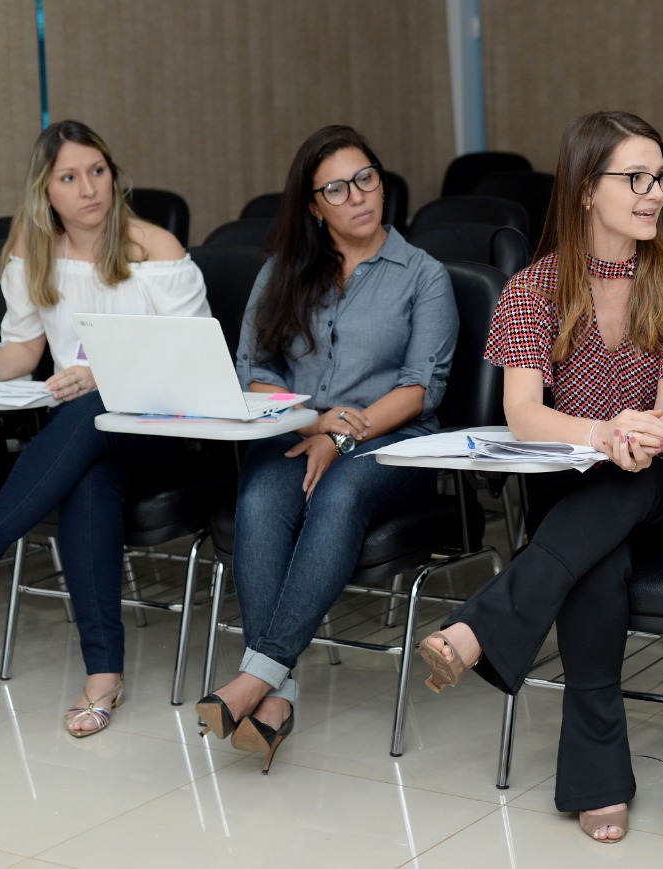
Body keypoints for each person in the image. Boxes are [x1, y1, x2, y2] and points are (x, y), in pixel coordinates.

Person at [415, 110, 663, 843]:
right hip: (589, 489)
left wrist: (641, 434)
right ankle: (598, 780)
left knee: (626, 488)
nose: (655, 193)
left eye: (661, 178)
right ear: (587, 189)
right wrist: (601, 432)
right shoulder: (532, 288)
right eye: (636, 178)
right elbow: (523, 413)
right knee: (596, 554)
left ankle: (480, 627)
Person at [0, 120, 209, 736]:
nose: (89, 188)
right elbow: (23, 349)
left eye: (98, 171)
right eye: (69, 178)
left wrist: (100, 376)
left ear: (114, 175)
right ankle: (103, 679)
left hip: (169, 431)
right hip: (91, 438)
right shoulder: (34, 251)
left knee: (89, 412)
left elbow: (193, 367)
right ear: (46, 192)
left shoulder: (158, 251)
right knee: (88, 480)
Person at [195, 125, 457, 772]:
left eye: (366, 178)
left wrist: (342, 434)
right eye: (336, 188)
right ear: (314, 205)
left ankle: (257, 674)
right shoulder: (283, 272)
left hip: (395, 445)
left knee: (337, 493)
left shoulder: (424, 275)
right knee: (259, 497)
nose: (359, 196)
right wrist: (312, 424)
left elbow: (421, 388)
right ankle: (275, 696)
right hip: (296, 433)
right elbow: (253, 368)